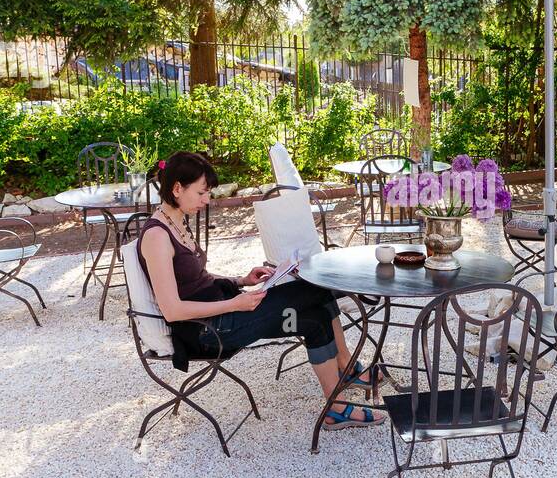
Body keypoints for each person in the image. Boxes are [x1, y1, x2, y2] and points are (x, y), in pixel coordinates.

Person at [137, 151, 383, 430]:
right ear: (177, 188)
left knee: (314, 319)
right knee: (314, 289)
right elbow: (173, 309)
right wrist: (236, 304)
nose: (206, 201)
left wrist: (241, 280)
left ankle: (335, 409)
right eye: (202, 193)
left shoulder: (177, 221)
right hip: (210, 331)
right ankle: (354, 328)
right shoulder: (157, 237)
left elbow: (198, 279)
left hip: (226, 313)